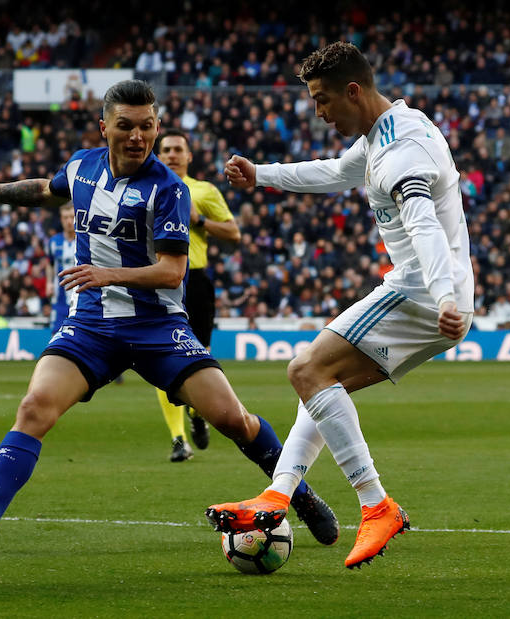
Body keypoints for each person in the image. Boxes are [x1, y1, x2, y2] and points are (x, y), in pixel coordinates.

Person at [0, 79, 339, 554]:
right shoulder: (82, 165)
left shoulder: (169, 190)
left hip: (159, 328)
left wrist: (108, 274)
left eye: (146, 126)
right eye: (125, 126)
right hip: (91, 325)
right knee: (33, 408)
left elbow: (172, 272)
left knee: (233, 419)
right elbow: (46, 191)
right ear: (103, 126)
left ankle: (301, 494)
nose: (137, 137)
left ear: (157, 126)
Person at [208, 42, 474, 569]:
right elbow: (334, 174)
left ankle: (376, 504)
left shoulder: (404, 151)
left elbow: (423, 224)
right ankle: (279, 495)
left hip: (422, 293)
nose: (319, 112)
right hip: (431, 295)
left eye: (323, 99)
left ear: (353, 90)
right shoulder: (384, 135)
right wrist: (262, 174)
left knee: (306, 368)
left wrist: (443, 294)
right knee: (320, 383)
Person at [154, 128, 241, 462]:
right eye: (167, 150)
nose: (173, 154)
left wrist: (199, 220)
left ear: (189, 156)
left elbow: (233, 233)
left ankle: (195, 412)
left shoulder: (204, 191)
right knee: (160, 357)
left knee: (197, 357)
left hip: (195, 281)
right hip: (157, 279)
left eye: (179, 149)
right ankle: (178, 439)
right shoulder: (145, 187)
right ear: (158, 155)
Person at [46, 202, 77, 333]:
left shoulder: (83, 240)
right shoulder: (54, 241)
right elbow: (50, 262)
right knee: (56, 334)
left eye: (71, 217)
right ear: (61, 219)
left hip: (80, 299)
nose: (69, 221)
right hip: (59, 300)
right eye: (65, 217)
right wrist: (49, 283)